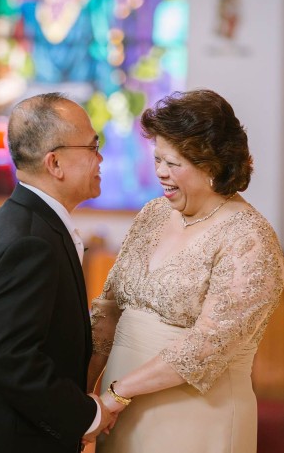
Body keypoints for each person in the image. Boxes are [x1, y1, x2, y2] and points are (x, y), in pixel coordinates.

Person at [89, 89, 284, 452]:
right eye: (158, 159)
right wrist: (85, 394)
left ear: (212, 163)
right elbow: (109, 308)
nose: (161, 172)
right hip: (117, 410)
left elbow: (206, 346)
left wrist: (118, 394)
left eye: (174, 164)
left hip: (195, 417)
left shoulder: (249, 237)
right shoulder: (153, 214)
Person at [0, 92, 114, 453]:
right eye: (93, 146)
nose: (101, 158)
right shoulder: (30, 242)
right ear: (55, 163)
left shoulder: (21, 220)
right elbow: (12, 359)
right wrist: (87, 416)